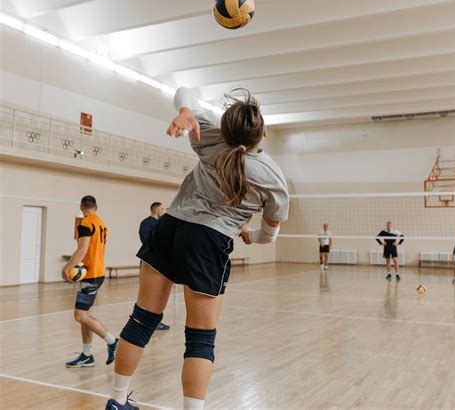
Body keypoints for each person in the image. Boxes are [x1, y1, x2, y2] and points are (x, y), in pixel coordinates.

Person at [105, 87, 289, 410]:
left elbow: (183, 91)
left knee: (141, 320)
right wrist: (250, 235)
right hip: (209, 242)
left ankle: (117, 401)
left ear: (227, 126)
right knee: (200, 339)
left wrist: (187, 111)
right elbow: (269, 236)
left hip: (171, 227)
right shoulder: (273, 177)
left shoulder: (210, 135)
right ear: (263, 133)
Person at [62, 195, 118, 368]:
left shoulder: (85, 223)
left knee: (80, 315)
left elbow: (82, 249)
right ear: (96, 206)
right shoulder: (101, 223)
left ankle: (112, 341)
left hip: (91, 275)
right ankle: (87, 355)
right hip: (96, 272)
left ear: (81, 206)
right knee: (84, 315)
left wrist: (66, 268)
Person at [138, 202, 170, 331]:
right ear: (156, 210)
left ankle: (154, 321)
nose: (163, 211)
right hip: (150, 263)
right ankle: (147, 322)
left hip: (161, 263)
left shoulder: (161, 223)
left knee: (158, 295)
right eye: (162, 209)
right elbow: (148, 241)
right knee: (149, 294)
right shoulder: (146, 223)